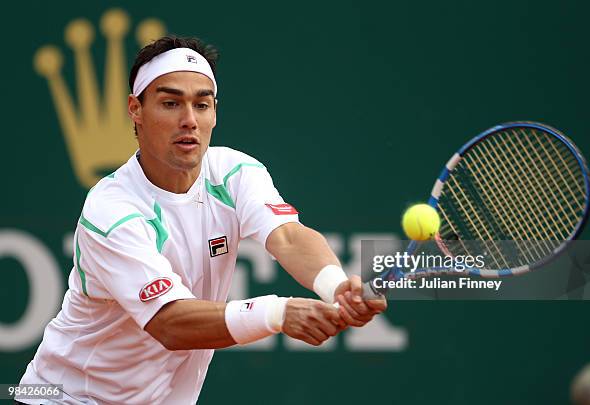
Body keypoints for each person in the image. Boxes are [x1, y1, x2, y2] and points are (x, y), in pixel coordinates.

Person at [18, 36, 386, 404]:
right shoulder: (110, 210)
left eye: (202, 104)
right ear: (136, 109)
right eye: (170, 103)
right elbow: (170, 322)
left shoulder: (235, 172)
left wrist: (335, 286)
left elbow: (288, 237)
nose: (189, 120)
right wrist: (278, 312)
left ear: (215, 111)